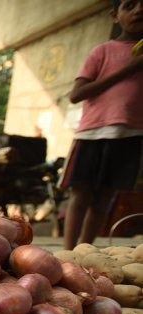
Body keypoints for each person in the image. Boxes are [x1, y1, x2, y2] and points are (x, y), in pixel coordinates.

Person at [60, 0, 143, 249]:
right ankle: (68, 252)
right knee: (81, 194)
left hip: (131, 134)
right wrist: (129, 69)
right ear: (114, 15)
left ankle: (85, 251)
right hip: (92, 132)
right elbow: (76, 94)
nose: (139, 10)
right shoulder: (103, 51)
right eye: (129, 5)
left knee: (104, 198)